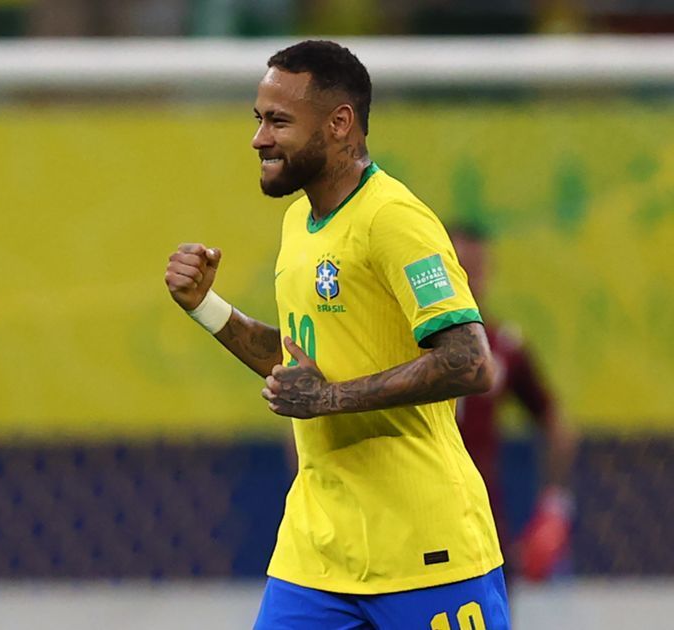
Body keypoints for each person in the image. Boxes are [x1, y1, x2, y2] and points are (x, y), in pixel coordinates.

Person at [164, 40, 509, 629]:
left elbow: (469, 361)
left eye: (278, 121)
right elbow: (308, 365)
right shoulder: (299, 221)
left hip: (424, 549)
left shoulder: (393, 219)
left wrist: (330, 400)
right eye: (258, 120)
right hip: (316, 555)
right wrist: (208, 308)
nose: (259, 138)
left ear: (339, 123)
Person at [450, 224, 580, 583]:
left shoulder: (503, 347)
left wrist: (554, 508)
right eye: (458, 269)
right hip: (413, 527)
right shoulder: (401, 343)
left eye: (476, 269)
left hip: (484, 531)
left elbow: (555, 421)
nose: (469, 280)